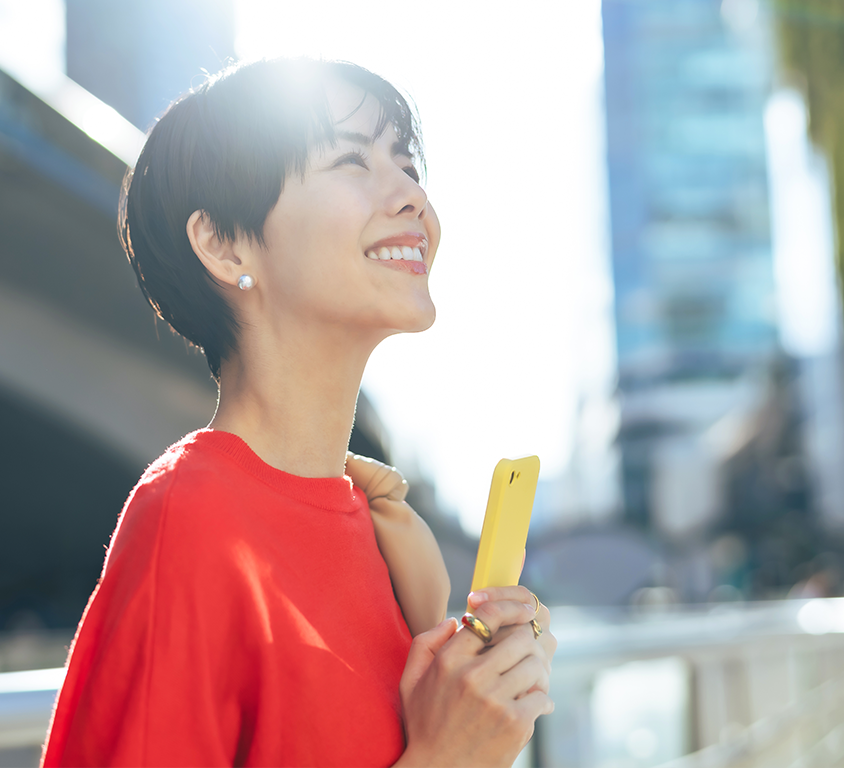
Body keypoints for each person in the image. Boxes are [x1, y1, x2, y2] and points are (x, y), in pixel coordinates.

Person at [41, 58, 556, 768]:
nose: (410, 194)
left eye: (406, 164)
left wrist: (478, 706)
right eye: (351, 160)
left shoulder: (384, 535)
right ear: (224, 245)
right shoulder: (189, 520)